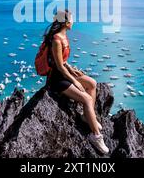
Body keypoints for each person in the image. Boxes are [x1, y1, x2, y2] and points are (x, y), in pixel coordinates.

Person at [44, 9, 109, 154]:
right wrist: (74, 80)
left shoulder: (64, 36)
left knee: (92, 83)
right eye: (72, 19)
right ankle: (96, 136)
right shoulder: (56, 39)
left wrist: (74, 70)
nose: (74, 22)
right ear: (66, 23)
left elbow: (64, 62)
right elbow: (59, 67)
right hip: (57, 79)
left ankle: (87, 116)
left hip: (65, 74)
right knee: (86, 98)